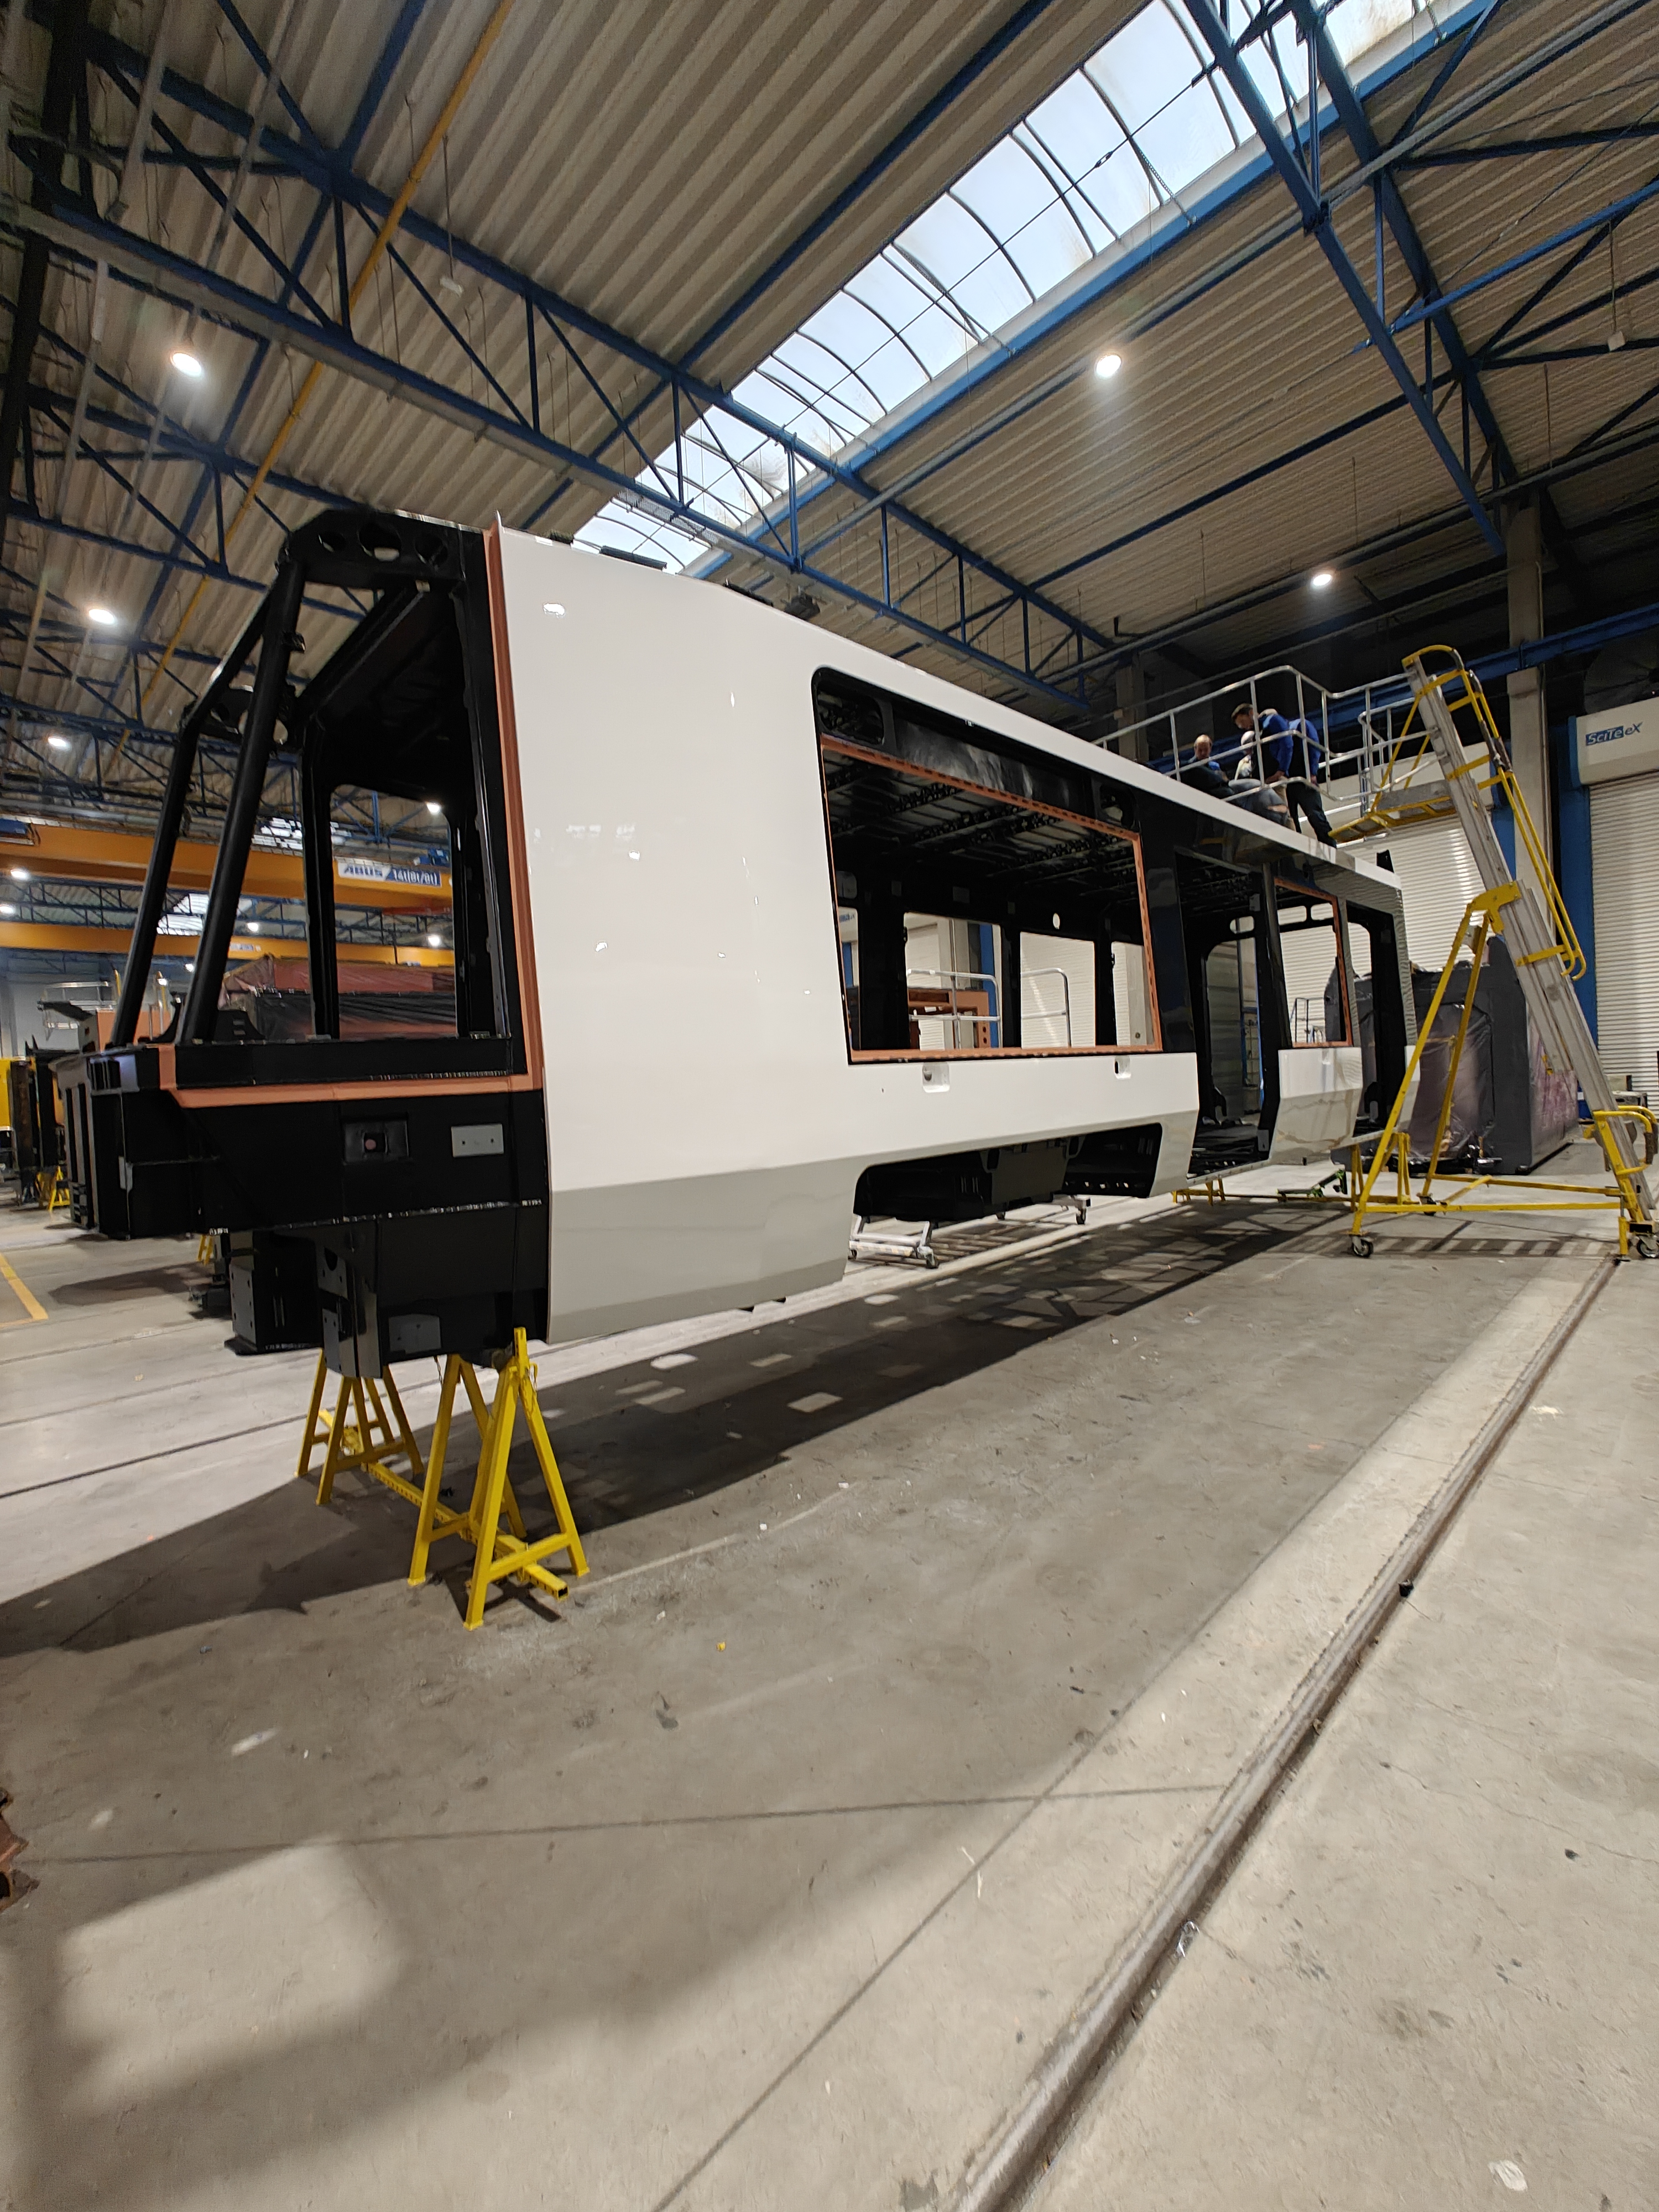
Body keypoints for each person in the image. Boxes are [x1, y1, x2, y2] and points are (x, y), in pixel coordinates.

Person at [1232, 701, 1335, 843]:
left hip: (1300, 778)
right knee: (1292, 819)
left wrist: (1308, 772)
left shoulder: (1278, 722)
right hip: (1288, 781)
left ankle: (1330, 847)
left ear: (1251, 714)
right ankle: (1301, 853)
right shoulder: (1260, 735)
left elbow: (1295, 745)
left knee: (1315, 816)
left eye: (1243, 722)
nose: (1243, 727)